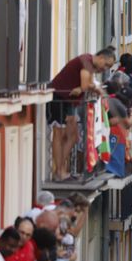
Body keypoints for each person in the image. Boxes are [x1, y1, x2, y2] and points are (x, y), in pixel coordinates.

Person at [47, 48, 116, 180]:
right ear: (101, 57)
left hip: (68, 101)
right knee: (59, 134)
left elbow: (86, 85)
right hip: (59, 97)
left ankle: (61, 169)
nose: (105, 69)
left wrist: (89, 88)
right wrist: (91, 88)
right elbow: (85, 84)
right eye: (106, 65)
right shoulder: (87, 62)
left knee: (73, 136)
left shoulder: (88, 63)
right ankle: (58, 171)